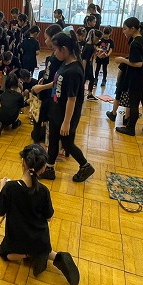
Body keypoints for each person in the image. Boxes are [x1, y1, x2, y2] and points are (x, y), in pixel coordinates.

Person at [0, 144, 80, 285]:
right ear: (43, 168)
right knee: (42, 248)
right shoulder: (44, 191)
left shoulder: (10, 188)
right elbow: (49, 218)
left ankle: (29, 255)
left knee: (4, 254)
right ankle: (55, 256)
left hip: (18, 238)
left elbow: (0, 212)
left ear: (23, 163)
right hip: (40, 239)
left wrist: (1, 190)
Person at [37, 31, 95, 182]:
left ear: (64, 49)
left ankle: (85, 166)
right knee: (53, 139)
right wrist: (42, 87)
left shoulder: (74, 71)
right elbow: (57, 82)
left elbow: (72, 99)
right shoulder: (65, 63)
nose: (54, 53)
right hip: (57, 110)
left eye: (55, 49)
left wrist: (66, 122)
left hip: (66, 114)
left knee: (68, 144)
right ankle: (49, 169)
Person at [115, 17, 143, 137]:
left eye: (125, 29)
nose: (124, 31)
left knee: (134, 103)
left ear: (133, 29)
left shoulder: (135, 43)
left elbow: (138, 63)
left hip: (138, 78)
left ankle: (130, 128)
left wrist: (122, 59)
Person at [30, 24, 63, 144]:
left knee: (42, 114)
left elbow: (58, 79)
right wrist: (43, 79)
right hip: (46, 89)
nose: (45, 41)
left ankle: (39, 138)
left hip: (51, 94)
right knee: (37, 113)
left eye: (46, 38)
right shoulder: (54, 54)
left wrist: (43, 87)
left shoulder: (59, 57)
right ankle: (37, 133)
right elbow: (49, 72)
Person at [0, 73, 24, 137]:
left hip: (0, 116)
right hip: (12, 117)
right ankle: (15, 123)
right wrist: (21, 89)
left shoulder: (2, 95)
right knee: (16, 108)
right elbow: (22, 109)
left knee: (6, 108)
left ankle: (1, 123)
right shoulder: (19, 96)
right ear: (17, 83)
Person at [81, 29, 101, 100]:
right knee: (83, 80)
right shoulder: (88, 46)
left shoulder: (91, 45)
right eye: (98, 39)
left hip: (89, 65)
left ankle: (89, 94)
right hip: (86, 66)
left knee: (91, 79)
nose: (98, 41)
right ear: (95, 37)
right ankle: (80, 94)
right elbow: (84, 60)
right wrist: (83, 70)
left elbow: (92, 56)